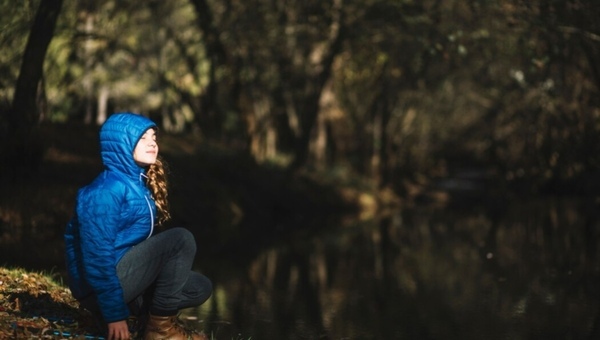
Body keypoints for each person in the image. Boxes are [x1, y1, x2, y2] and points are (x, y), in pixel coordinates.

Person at [64, 112, 212, 340]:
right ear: (122, 143)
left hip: (124, 276)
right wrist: (114, 315)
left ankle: (144, 322)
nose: (152, 142)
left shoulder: (138, 185)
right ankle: (159, 329)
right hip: (98, 286)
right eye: (142, 138)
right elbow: (97, 258)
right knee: (180, 239)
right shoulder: (104, 191)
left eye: (153, 137)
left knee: (199, 286)